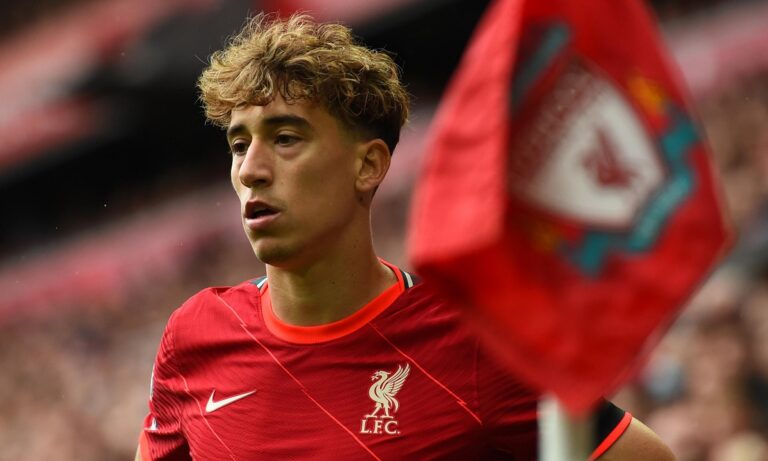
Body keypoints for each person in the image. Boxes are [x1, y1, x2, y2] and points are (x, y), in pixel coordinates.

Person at [136, 12, 676, 460]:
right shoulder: (195, 336)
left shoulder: (473, 342)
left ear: (368, 165)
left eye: (285, 138)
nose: (251, 169)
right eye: (238, 145)